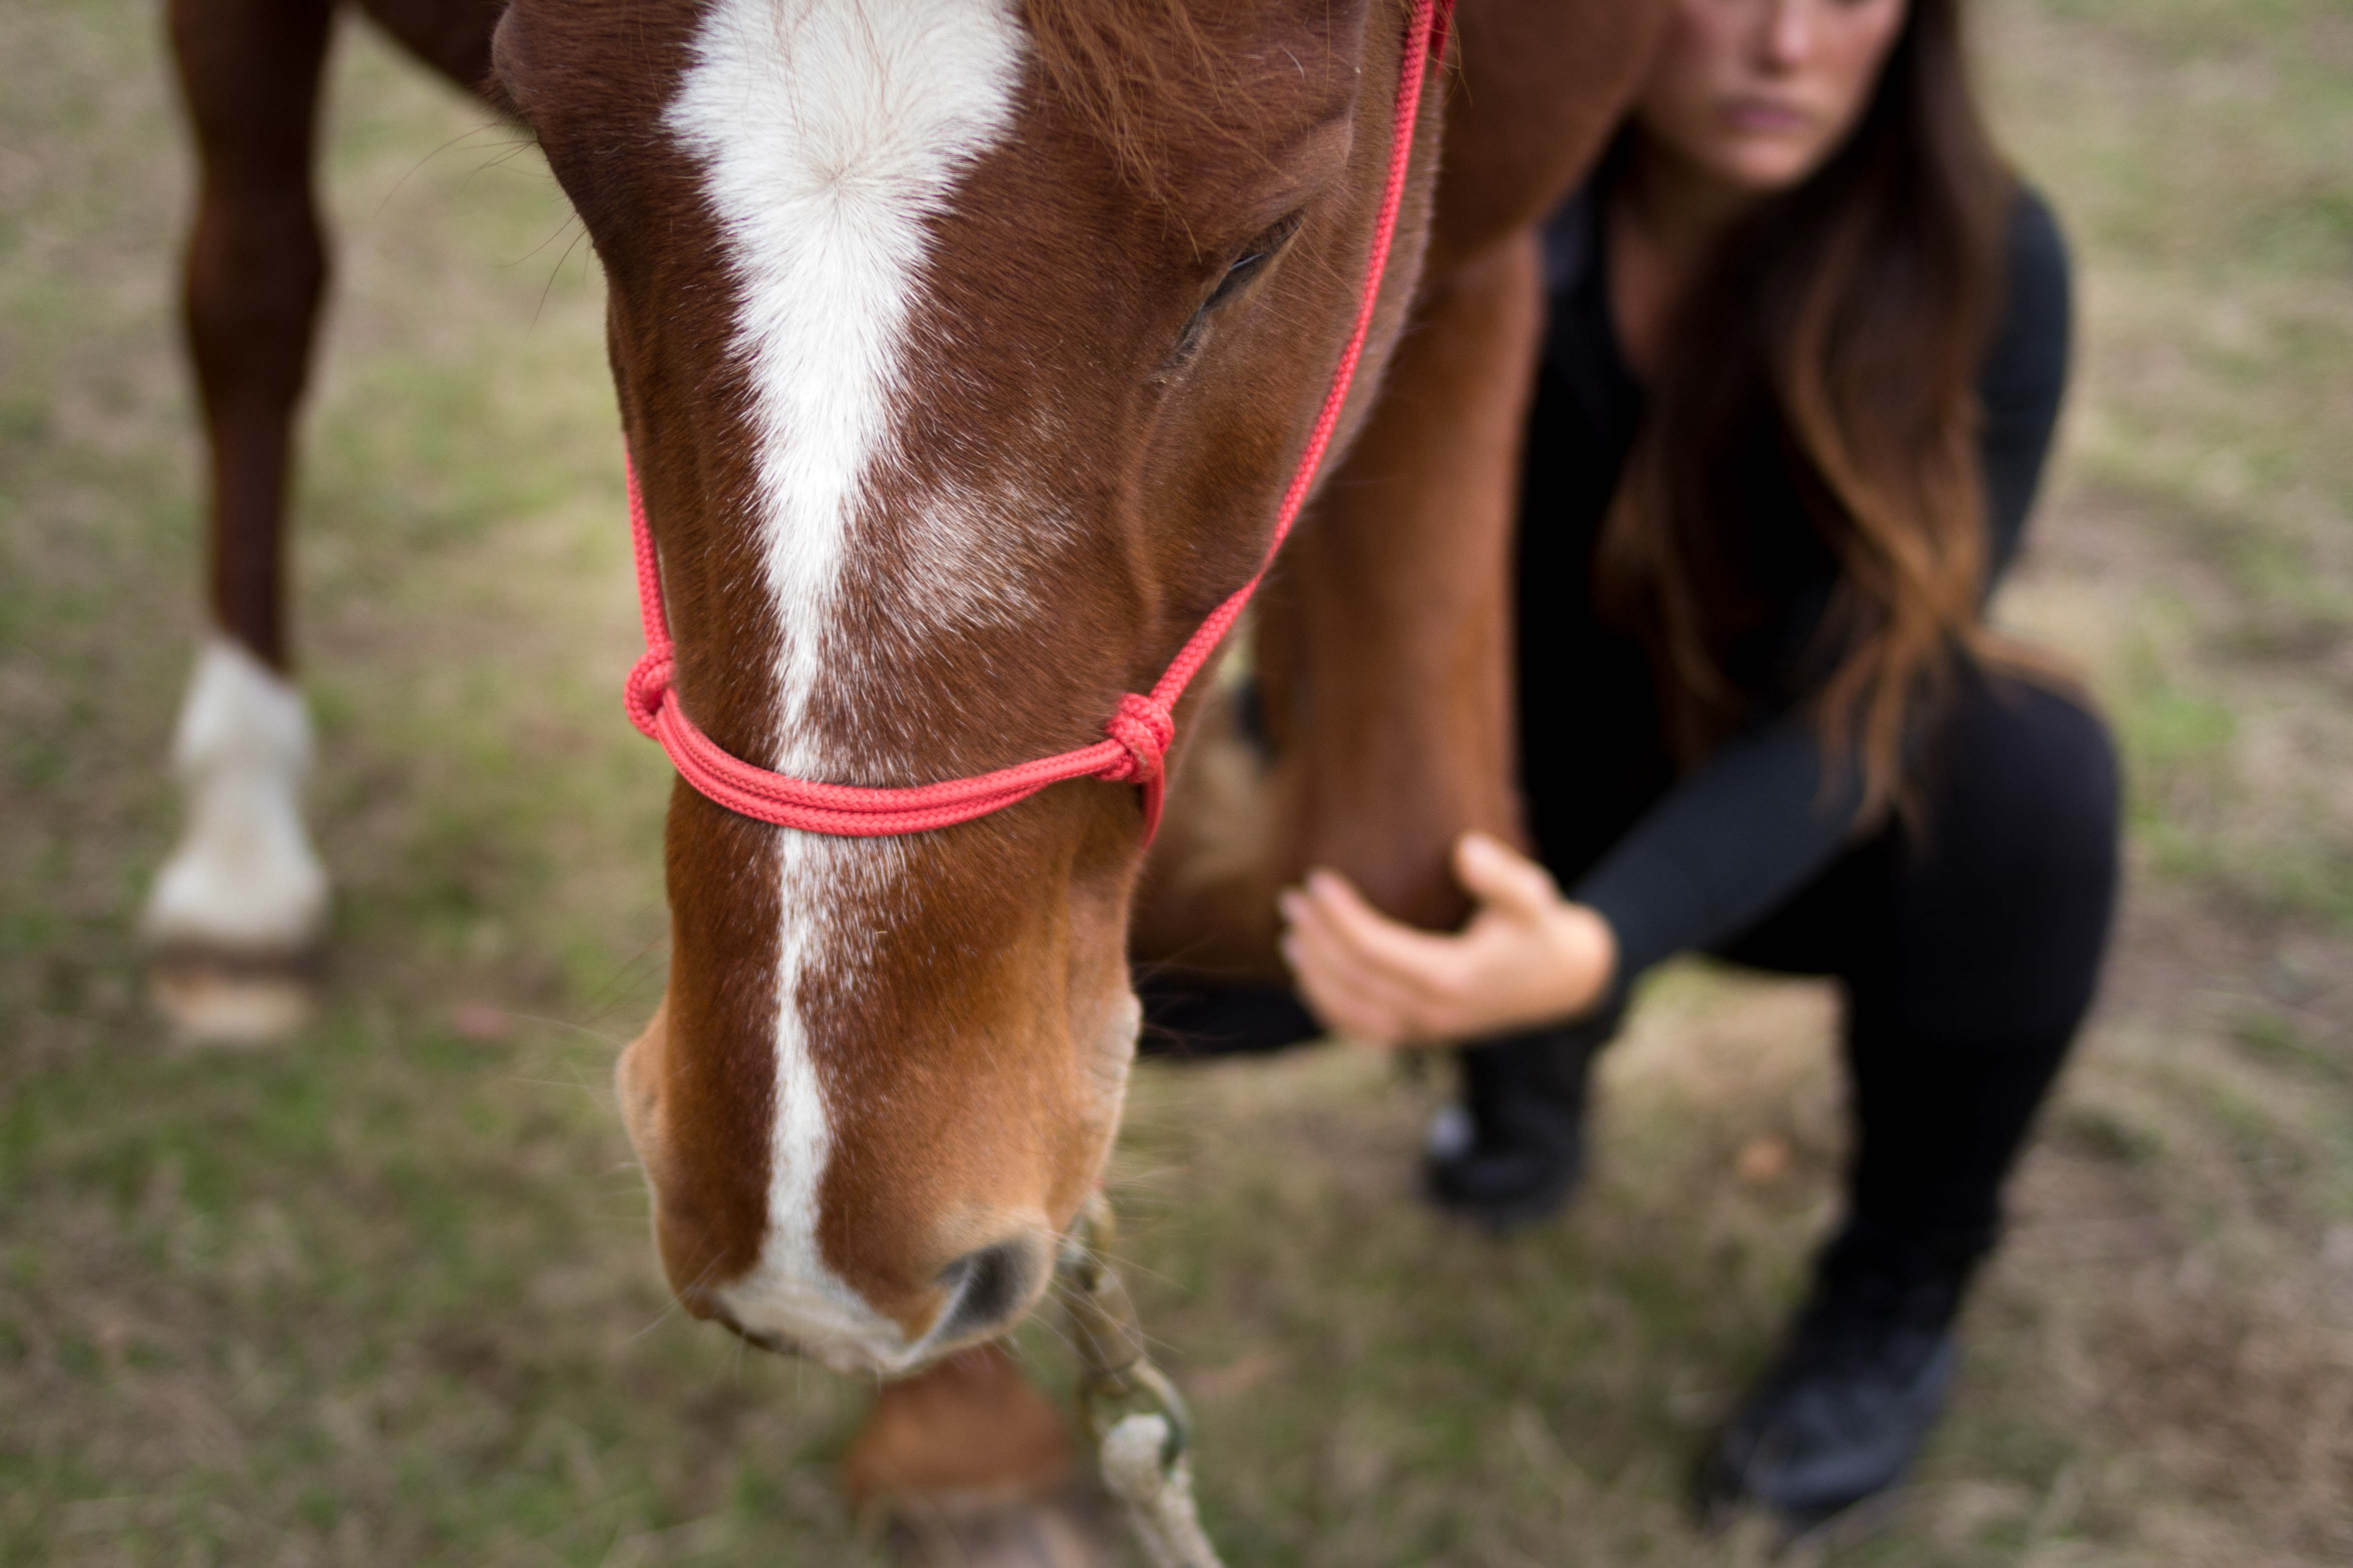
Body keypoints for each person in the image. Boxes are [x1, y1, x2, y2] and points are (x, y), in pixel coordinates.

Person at [1266, 0, 2120, 1531]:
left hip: (1765, 821)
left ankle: (1894, 1297)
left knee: (2026, 772)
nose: (1789, 48)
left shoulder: (1989, 261)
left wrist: (1601, 945)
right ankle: (1518, 1064)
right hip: (1479, 800)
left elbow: (1878, 688)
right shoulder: (1447, 228)